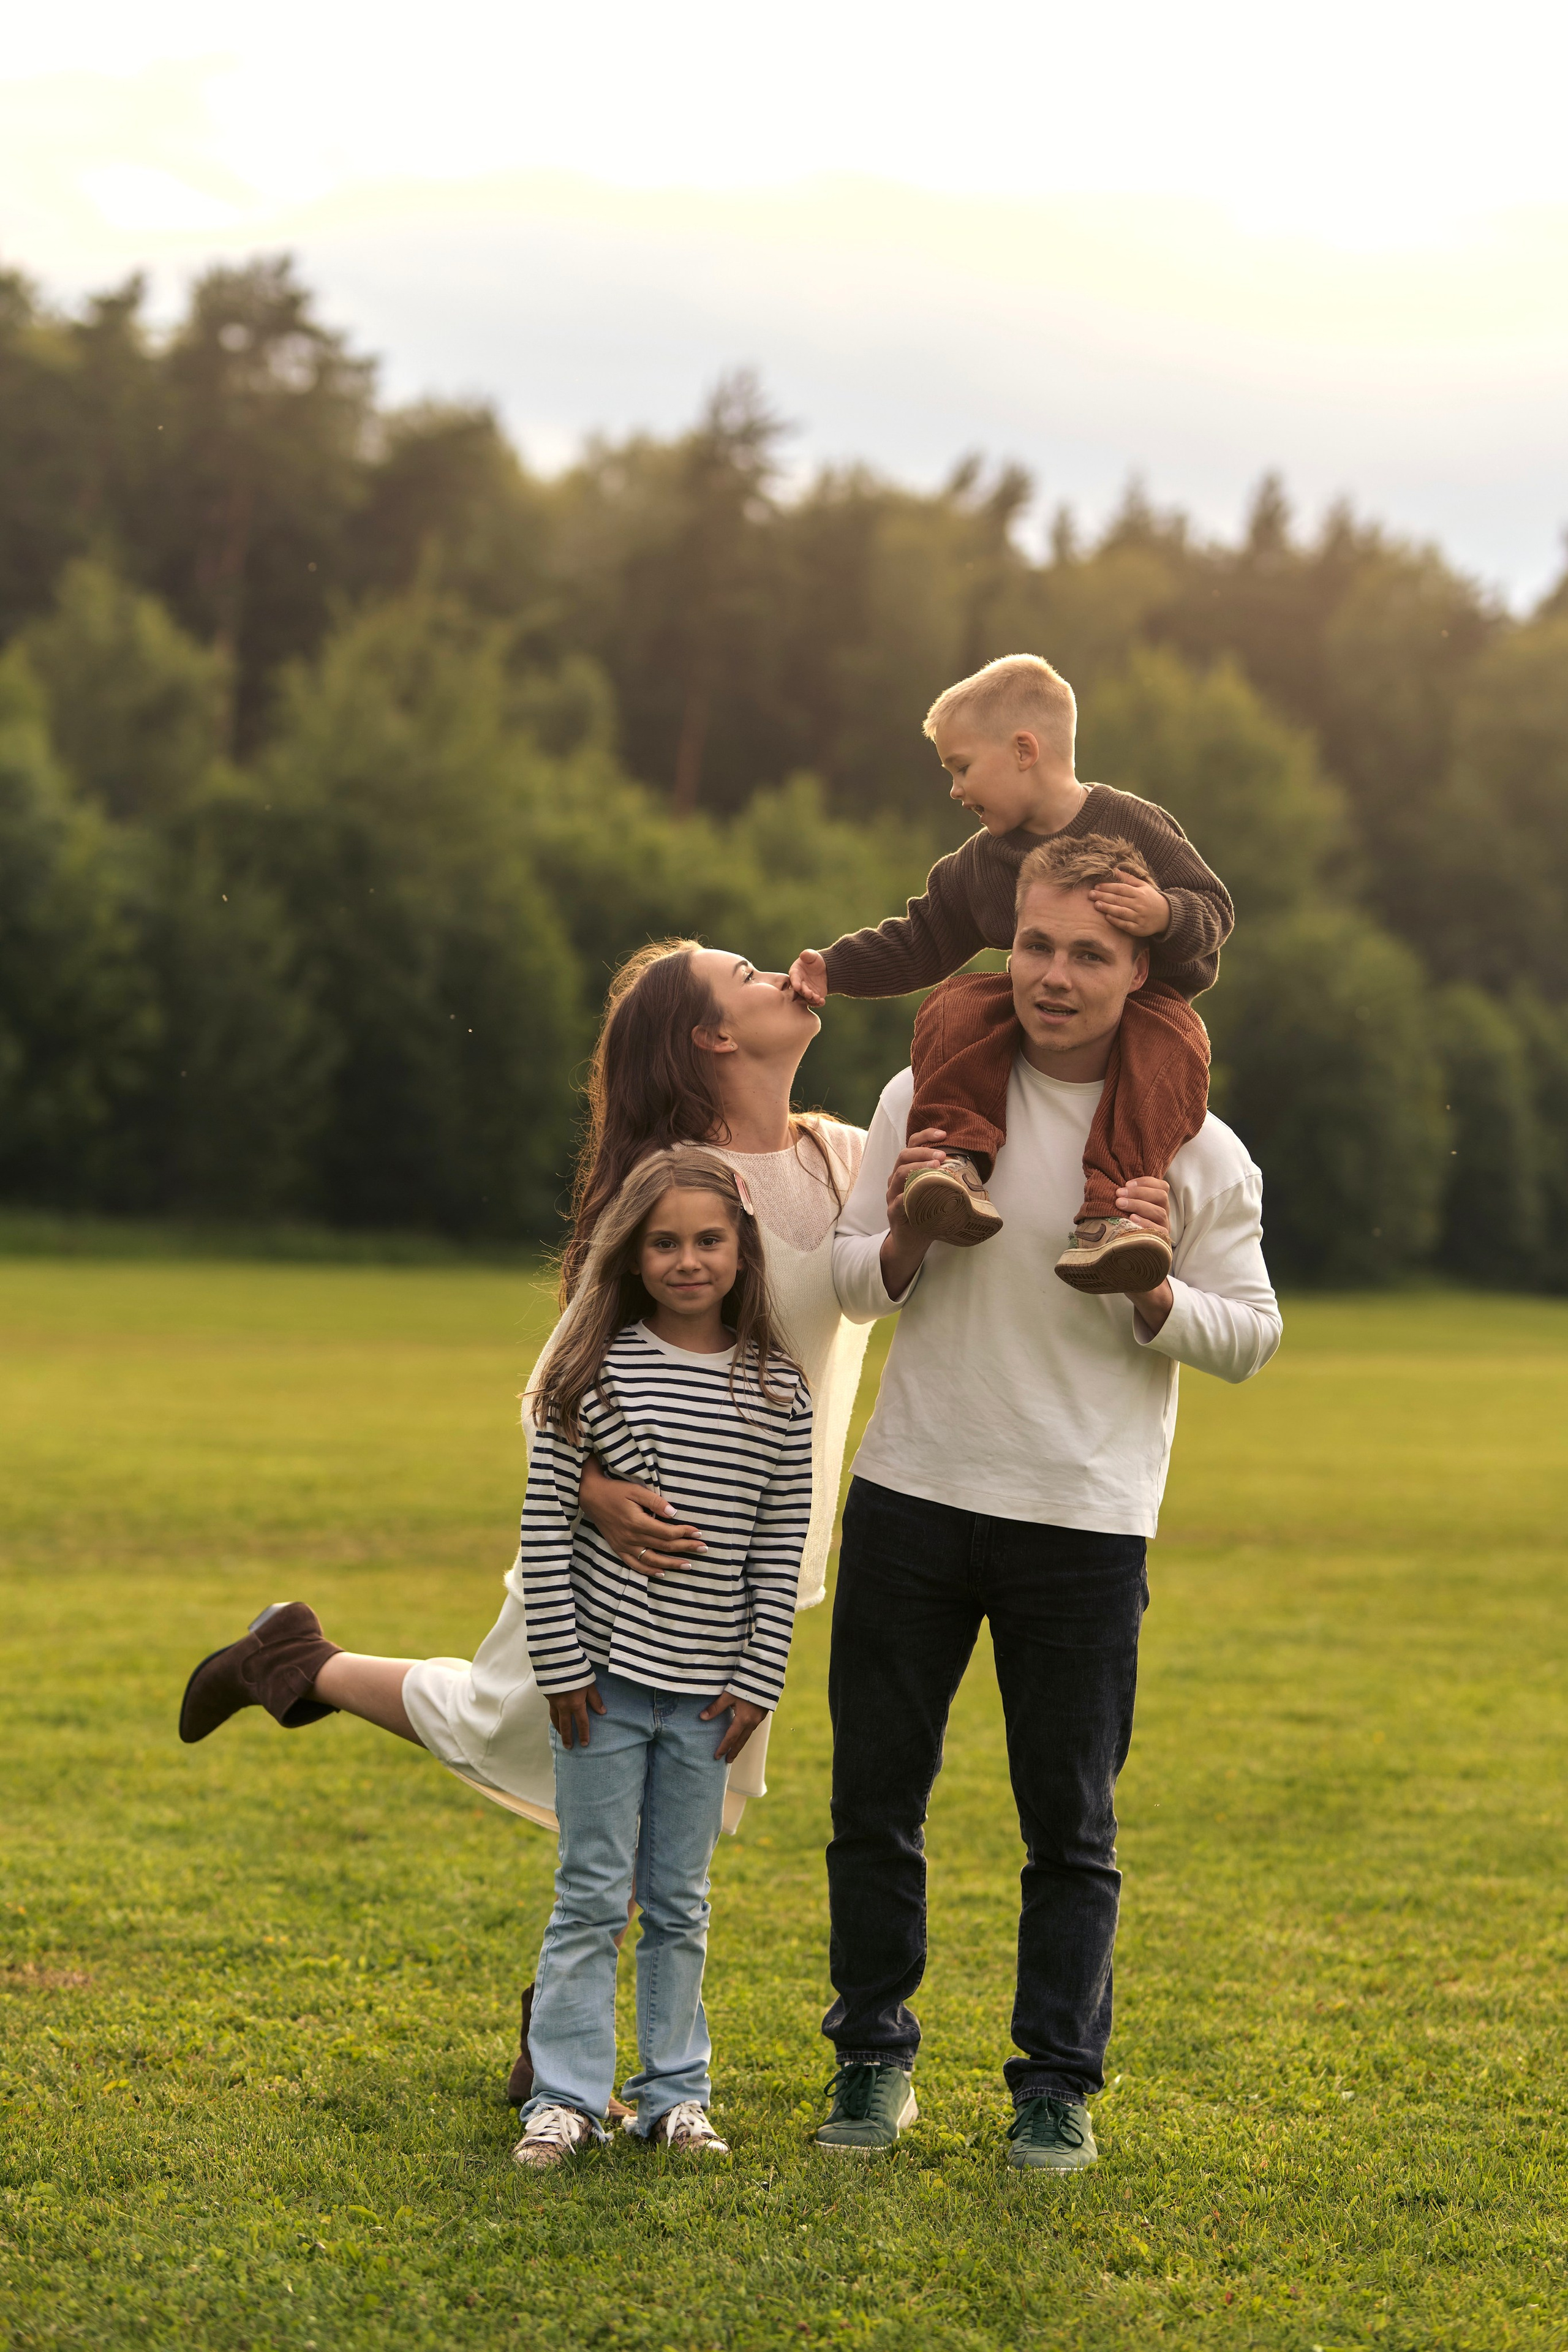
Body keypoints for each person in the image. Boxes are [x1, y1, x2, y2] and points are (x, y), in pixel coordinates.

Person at [177, 938, 870, 2112]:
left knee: (680, 1801)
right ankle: (298, 1658)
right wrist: (595, 1492)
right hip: (616, 1548)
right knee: (519, 1720)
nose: (780, 975)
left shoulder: (844, 1155)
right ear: (711, 1037)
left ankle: (301, 1663)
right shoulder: (677, 1186)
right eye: (747, 972)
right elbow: (557, 1380)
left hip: (752, 1545)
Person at [812, 831, 1281, 2173]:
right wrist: (903, 1230)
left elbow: (1249, 1335)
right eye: (1034, 944)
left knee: (1066, 1828)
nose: (1053, 976)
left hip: (1081, 1519)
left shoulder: (1193, 1150)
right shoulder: (926, 1094)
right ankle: (868, 2059)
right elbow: (850, 1283)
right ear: (1001, 942)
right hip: (911, 1492)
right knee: (873, 1803)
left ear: (1142, 972)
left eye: (1089, 953)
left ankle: (1053, 2086)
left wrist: (1146, 1288)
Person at [510, 1147, 811, 2165]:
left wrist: (759, 1676)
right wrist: (559, 1666)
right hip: (597, 1688)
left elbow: (782, 1547)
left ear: (741, 1251)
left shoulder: (779, 1390)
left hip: (707, 1699)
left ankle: (676, 2095)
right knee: (591, 1894)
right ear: (633, 1256)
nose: (688, 1260)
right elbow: (545, 1526)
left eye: (708, 1240)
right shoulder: (587, 1374)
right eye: (666, 1242)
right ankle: (565, 2099)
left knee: (680, 1903)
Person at [788, 653, 1233, 1295]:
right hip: (1045, 1015)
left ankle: (1113, 1219)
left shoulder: (1133, 825)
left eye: (962, 767)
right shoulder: (980, 865)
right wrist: (835, 966)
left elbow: (1214, 909)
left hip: (1145, 1007)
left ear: (1025, 749)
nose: (955, 790)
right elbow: (923, 939)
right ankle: (953, 1165)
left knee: (1172, 1049)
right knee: (958, 1003)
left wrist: (1163, 913)